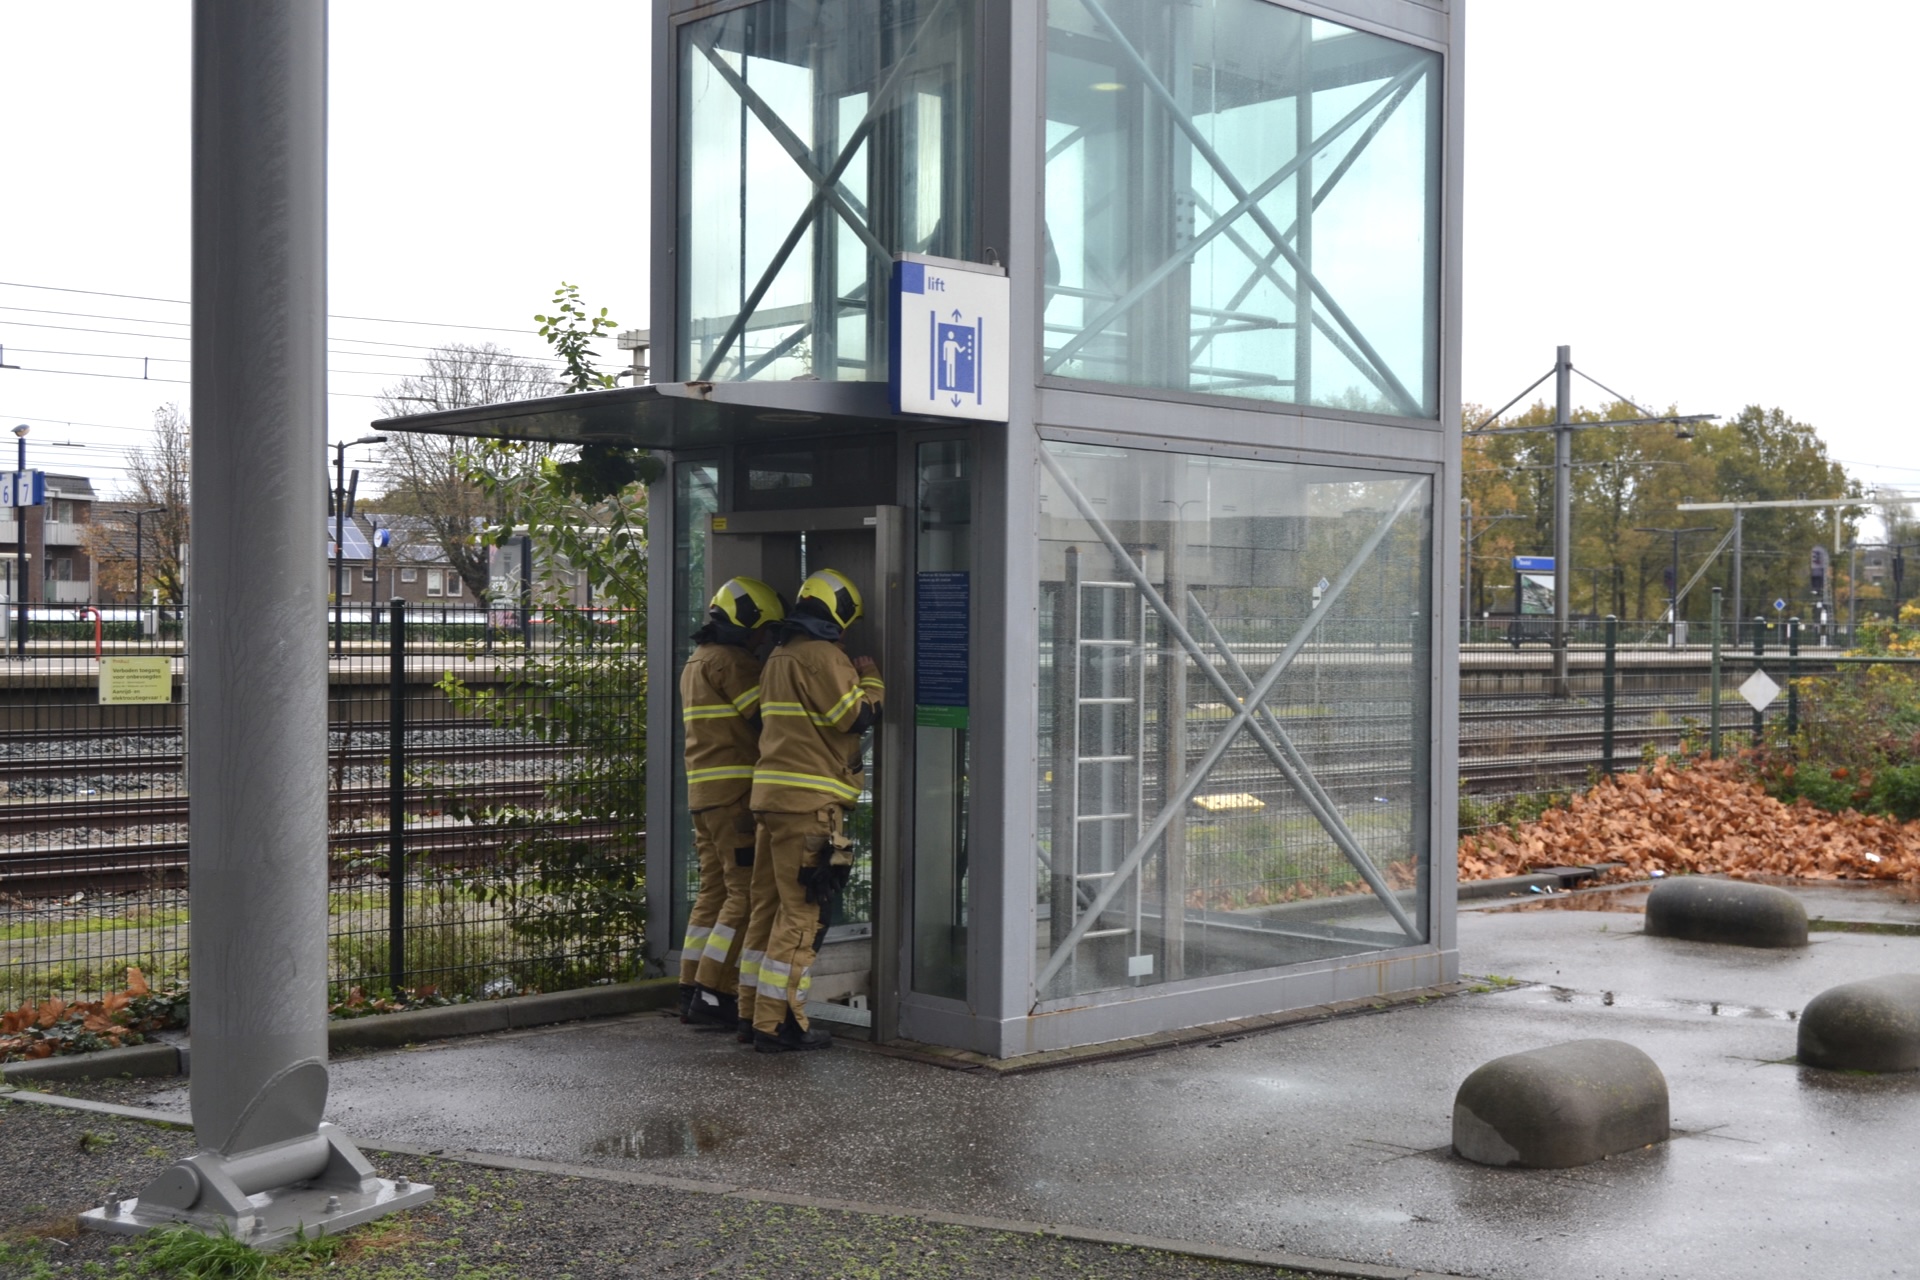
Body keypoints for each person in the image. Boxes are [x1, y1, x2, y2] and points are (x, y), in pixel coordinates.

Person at [745, 567, 883, 1053]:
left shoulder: (778, 655)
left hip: (771, 801)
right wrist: (871, 679)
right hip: (811, 807)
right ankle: (778, 1025)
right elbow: (855, 716)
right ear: (838, 613)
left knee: (766, 910)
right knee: (803, 915)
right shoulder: (823, 656)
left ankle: (750, 1013)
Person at [677, 576, 785, 1029]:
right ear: (747, 625)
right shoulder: (733, 662)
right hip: (736, 797)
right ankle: (715, 992)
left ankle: (691, 984)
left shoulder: (697, 660)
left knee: (714, 892)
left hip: (705, 797)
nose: (764, 641)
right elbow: (769, 718)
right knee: (744, 893)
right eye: (763, 631)